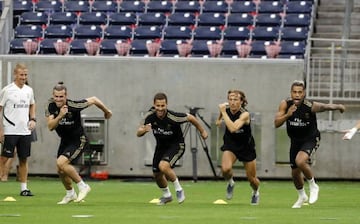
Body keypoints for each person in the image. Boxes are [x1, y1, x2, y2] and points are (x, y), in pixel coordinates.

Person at [274, 80, 345, 208]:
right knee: (295, 173)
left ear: (304, 93)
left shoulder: (310, 106)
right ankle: (302, 196)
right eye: (294, 92)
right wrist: (287, 115)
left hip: (311, 138)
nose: (297, 95)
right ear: (291, 93)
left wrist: (339, 106)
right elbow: (276, 123)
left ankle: (313, 185)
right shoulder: (285, 104)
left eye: (300, 92)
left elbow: (325, 107)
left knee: (300, 161)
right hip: (295, 141)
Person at [45, 81, 112, 204]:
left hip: (78, 139)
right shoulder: (50, 105)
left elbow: (94, 99)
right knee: (60, 170)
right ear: (53, 96)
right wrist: (60, 116)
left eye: (61, 97)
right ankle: (70, 194)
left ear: (66, 96)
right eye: (56, 96)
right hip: (65, 140)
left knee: (61, 162)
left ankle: (83, 186)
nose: (58, 99)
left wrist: (106, 111)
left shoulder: (74, 105)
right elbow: (50, 126)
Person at [136, 92, 208, 205]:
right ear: (154, 105)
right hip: (161, 147)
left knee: (163, 166)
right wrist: (144, 130)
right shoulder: (150, 117)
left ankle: (179, 189)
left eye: (162, 106)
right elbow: (138, 132)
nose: (160, 108)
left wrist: (202, 131)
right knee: (157, 175)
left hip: (176, 146)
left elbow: (191, 118)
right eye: (158, 106)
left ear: (166, 105)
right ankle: (167, 195)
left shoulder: (173, 117)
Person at [216, 90, 260, 205]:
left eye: (235, 100)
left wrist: (223, 113)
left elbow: (233, 128)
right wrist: (219, 118)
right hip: (231, 144)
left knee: (252, 180)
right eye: (230, 99)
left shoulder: (245, 114)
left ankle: (255, 192)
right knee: (225, 169)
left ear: (241, 101)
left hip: (246, 147)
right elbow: (220, 116)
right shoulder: (225, 109)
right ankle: (231, 182)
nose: (232, 102)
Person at [0, 63, 36, 196]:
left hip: (25, 131)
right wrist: (0, 130)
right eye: (21, 75)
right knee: (4, 158)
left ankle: (24, 188)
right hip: (10, 130)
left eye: (25, 75)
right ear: (15, 75)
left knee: (23, 159)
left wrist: (33, 119)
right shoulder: (7, 90)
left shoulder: (29, 90)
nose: (23, 77)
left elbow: (32, 104)